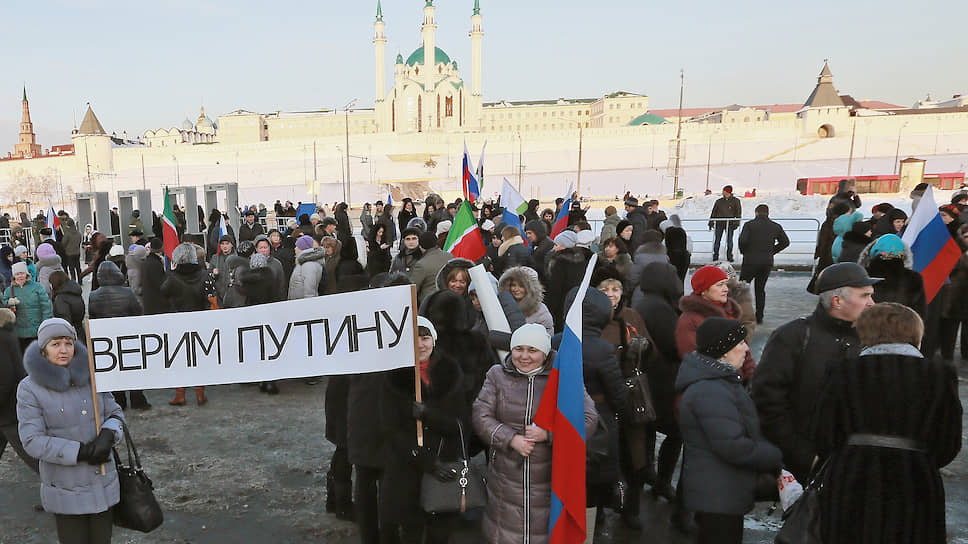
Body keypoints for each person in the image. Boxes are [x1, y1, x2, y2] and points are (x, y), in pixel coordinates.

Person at [812, 303, 962, 544]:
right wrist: (920, 459)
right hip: (915, 478)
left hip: (851, 477)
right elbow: (948, 440)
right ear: (915, 333)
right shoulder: (939, 374)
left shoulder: (843, 370)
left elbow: (824, 433)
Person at [752, 262, 878, 482]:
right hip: (803, 466)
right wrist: (804, 457)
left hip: (855, 467)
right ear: (837, 301)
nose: (872, 303)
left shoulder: (872, 339)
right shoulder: (792, 336)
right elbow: (767, 402)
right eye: (865, 296)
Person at [473, 323, 598, 544]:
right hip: (505, 477)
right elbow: (481, 416)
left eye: (532, 350)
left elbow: (588, 420)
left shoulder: (564, 377)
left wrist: (549, 434)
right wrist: (511, 438)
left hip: (550, 478)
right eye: (518, 349)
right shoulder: (497, 375)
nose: (524, 356)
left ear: (545, 352)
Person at [17, 318, 125, 544]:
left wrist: (108, 434)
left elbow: (115, 412)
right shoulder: (29, 388)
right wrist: (81, 452)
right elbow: (32, 440)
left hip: (102, 482)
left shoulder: (91, 376)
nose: (63, 350)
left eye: (68, 343)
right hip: (66, 488)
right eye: (55, 344)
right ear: (43, 349)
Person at [676, 317, 782, 544]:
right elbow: (733, 446)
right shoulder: (709, 389)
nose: (746, 348)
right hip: (717, 496)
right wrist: (775, 456)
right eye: (740, 343)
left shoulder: (719, 381)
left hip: (722, 492)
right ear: (723, 351)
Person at [379, 316, 467, 543]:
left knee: (439, 533)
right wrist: (427, 462)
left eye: (425, 338)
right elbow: (390, 429)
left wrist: (428, 414)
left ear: (433, 341)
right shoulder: (393, 375)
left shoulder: (451, 371)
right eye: (414, 338)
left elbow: (459, 423)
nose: (420, 344)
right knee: (410, 530)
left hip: (443, 466)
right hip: (406, 468)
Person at [88, 261, 149, 411]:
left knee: (114, 369)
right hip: (127, 336)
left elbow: (93, 316)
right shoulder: (127, 292)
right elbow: (137, 311)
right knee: (132, 368)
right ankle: (137, 399)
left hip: (106, 339)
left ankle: (119, 400)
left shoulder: (93, 295)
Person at [161, 243, 216, 406]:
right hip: (201, 321)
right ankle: (200, 394)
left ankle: (181, 394)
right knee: (199, 358)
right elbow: (211, 297)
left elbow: (163, 292)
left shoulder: (171, 277)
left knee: (180, 359)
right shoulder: (206, 274)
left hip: (178, 321)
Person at [736, 204, 789, 324]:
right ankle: (759, 316)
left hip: (750, 261)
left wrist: (745, 251)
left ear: (756, 213)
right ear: (768, 213)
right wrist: (772, 251)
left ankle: (740, 313)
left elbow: (742, 241)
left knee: (742, 288)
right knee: (760, 289)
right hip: (766, 262)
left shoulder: (749, 225)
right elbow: (785, 242)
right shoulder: (775, 226)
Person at [0, 307, 39, 474]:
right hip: (10, 406)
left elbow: (5, 380)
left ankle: (62, 485)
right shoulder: (7, 335)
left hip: (9, 409)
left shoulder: (2, 339)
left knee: (33, 456)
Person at [858, 234, 926, 318]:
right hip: (901, 328)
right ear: (903, 254)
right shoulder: (914, 278)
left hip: (866, 328)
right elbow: (919, 314)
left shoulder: (861, 275)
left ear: (874, 251)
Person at [3, 261, 53, 352]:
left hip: (36, 330)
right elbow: (3, 306)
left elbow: (46, 307)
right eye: (17, 274)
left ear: (27, 274)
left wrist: (45, 325)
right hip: (19, 332)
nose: (20, 276)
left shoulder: (38, 287)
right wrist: (8, 302)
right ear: (14, 276)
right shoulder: (9, 291)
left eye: (22, 273)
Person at [545, 230, 588, 333]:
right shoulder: (582, 260)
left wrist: (550, 307)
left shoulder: (559, 262)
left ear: (564, 245)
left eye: (556, 244)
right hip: (577, 302)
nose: (554, 248)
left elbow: (555, 288)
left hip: (560, 304)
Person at [498, 266, 554, 336]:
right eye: (513, 285)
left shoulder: (540, 309)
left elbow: (547, 335)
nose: (516, 289)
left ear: (530, 288)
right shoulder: (502, 305)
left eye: (521, 286)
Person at [49, 271, 86, 345]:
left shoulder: (61, 298)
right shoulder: (75, 292)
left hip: (69, 335)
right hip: (80, 331)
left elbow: (64, 318)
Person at [708, 185, 742, 262]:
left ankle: (729, 255)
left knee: (729, 241)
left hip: (730, 224)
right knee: (717, 240)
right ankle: (715, 255)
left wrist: (736, 223)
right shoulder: (719, 201)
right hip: (719, 223)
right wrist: (711, 222)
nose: (723, 192)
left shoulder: (736, 201)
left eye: (724, 191)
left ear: (728, 192)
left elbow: (738, 213)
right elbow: (714, 212)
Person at [288, 235, 327, 300]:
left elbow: (310, 291)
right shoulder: (304, 262)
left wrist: (308, 307)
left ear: (303, 248)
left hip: (302, 305)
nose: (295, 248)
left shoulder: (308, 264)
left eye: (297, 246)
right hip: (298, 303)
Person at [660, 214, 691, 283]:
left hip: (672, 258)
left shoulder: (668, 234)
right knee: (681, 280)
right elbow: (689, 248)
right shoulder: (682, 232)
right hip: (683, 258)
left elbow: (665, 247)